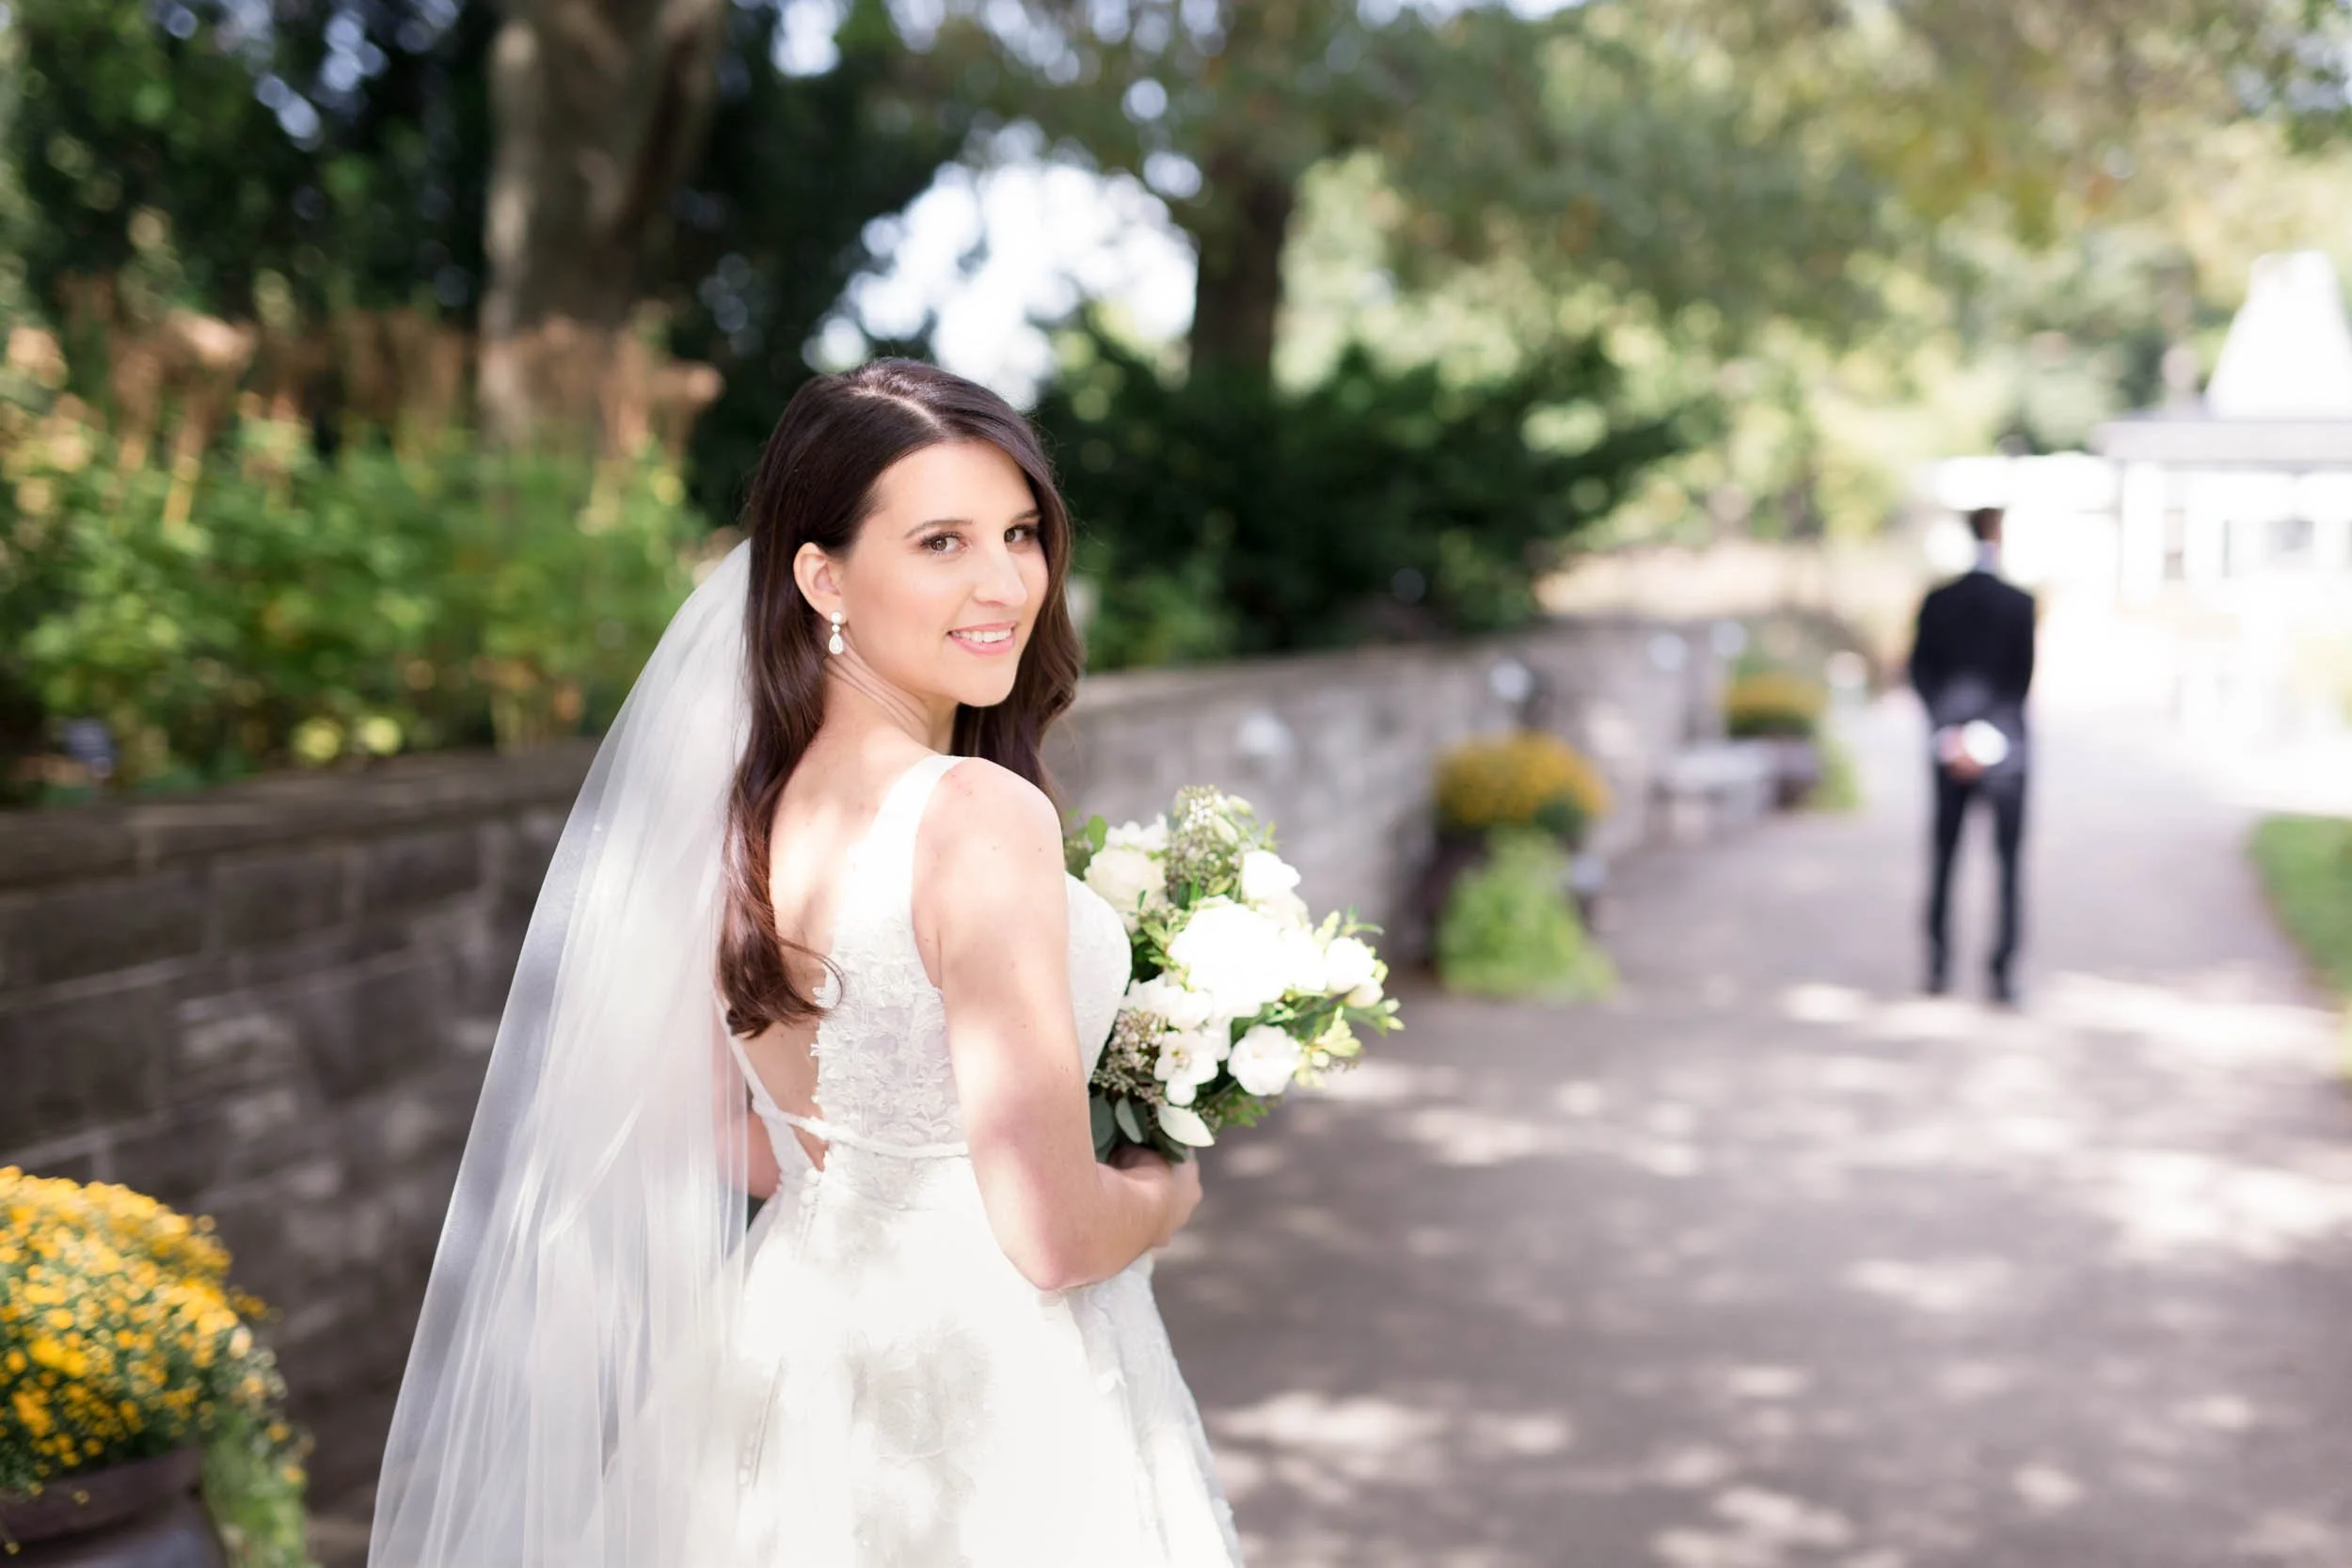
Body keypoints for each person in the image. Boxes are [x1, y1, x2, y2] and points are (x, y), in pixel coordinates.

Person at [369, 361, 1244, 1566]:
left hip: (786, 1342)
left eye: (1021, 533)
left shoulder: (736, 815)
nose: (1004, 582)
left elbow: (743, 1142)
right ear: (821, 574)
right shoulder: (976, 814)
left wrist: (879, 1168)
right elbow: (1048, 1233)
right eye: (940, 540)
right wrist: (1162, 1193)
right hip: (991, 1383)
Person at [1907, 504, 2036, 1006]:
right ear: (1999, 535)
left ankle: (1938, 967)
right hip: (2006, 749)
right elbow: (2019, 681)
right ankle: (2002, 973)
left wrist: (1951, 735)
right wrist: (1986, 739)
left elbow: (1920, 671)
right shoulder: (2019, 603)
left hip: (1949, 745)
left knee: (1944, 859)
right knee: (2006, 866)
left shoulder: (1938, 601)